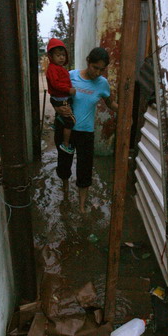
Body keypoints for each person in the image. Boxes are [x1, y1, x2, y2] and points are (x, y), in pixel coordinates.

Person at [55, 47, 118, 213]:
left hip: (86, 133)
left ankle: (82, 206)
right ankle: (66, 191)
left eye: (101, 69)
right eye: (94, 67)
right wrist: (57, 109)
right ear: (87, 62)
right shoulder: (71, 76)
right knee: (64, 164)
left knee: (84, 169)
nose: (97, 72)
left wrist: (126, 112)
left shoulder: (102, 84)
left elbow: (110, 104)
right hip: (65, 129)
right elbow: (57, 97)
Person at [46, 38, 76, 154]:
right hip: (61, 98)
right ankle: (65, 144)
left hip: (61, 98)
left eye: (63, 55)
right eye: (58, 55)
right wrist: (69, 90)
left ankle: (57, 121)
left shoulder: (59, 68)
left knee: (65, 115)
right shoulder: (52, 69)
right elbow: (56, 84)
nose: (61, 57)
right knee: (70, 122)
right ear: (51, 56)